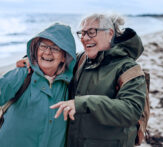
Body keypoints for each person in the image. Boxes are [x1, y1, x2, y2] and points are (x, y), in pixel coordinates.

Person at [17, 13, 146, 147]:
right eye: (82, 33)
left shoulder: (128, 68)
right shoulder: (81, 60)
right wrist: (31, 60)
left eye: (91, 32)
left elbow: (132, 110)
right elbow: (56, 59)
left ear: (110, 33)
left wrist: (83, 103)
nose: (84, 38)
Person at [0, 23, 76, 147]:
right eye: (43, 46)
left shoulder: (70, 83)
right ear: (36, 50)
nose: (47, 52)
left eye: (55, 48)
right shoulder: (22, 74)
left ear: (64, 57)